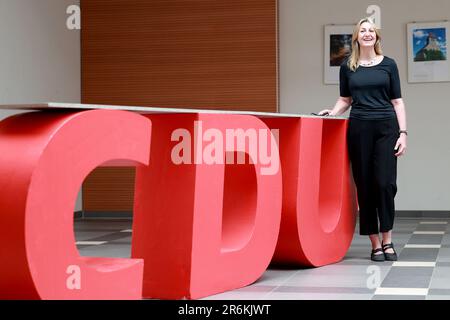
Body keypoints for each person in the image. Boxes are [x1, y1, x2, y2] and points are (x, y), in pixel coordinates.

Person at [318, 17, 407, 262]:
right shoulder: (348, 66)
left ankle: (388, 238)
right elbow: (345, 99)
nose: (367, 34)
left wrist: (403, 133)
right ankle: (375, 243)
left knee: (385, 184)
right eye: (362, 30)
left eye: (371, 31)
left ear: (377, 37)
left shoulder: (389, 65)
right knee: (365, 185)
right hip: (359, 129)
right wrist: (333, 112)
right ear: (356, 37)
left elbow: (397, 102)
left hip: (387, 129)